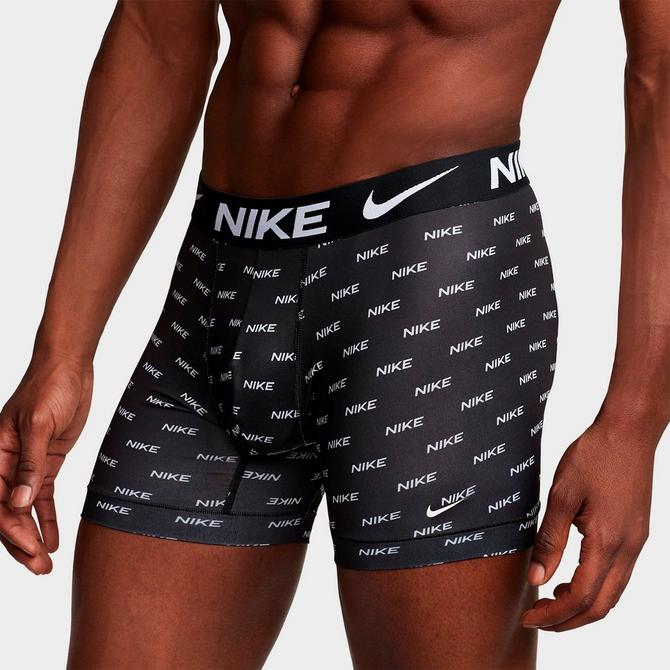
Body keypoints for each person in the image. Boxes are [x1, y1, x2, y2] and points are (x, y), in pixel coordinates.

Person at [1, 1, 668, 668]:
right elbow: (155, 32)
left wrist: (634, 422)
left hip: (432, 296)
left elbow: (661, 73)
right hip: (215, 288)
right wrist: (63, 351)